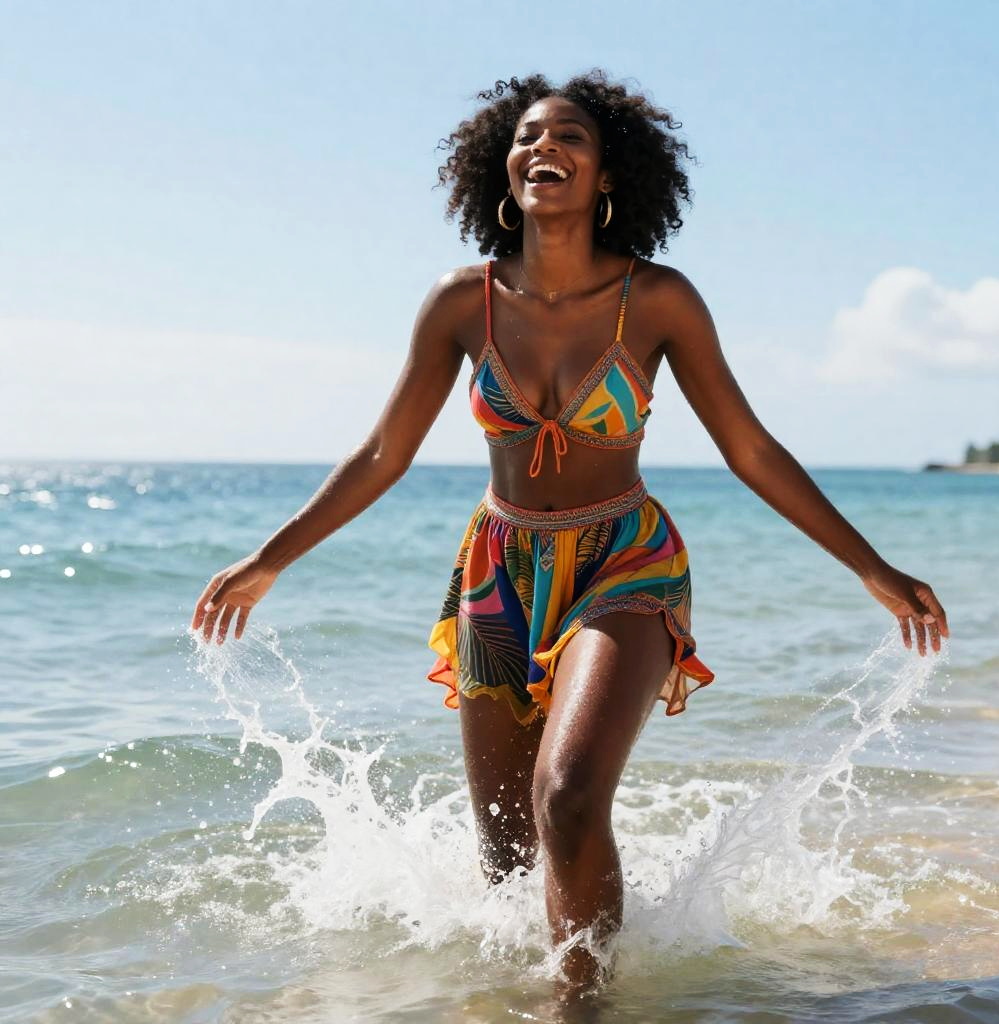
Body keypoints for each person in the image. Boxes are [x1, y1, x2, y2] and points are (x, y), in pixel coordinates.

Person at [192, 71, 949, 995]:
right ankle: (521, 993)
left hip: (625, 559)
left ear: (607, 176)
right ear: (501, 172)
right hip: (499, 568)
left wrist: (870, 566)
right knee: (508, 849)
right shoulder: (458, 304)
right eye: (526, 137)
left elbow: (749, 447)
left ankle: (580, 1012)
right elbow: (386, 451)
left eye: (570, 138)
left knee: (569, 796)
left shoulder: (658, 300)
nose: (542, 147)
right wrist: (271, 560)